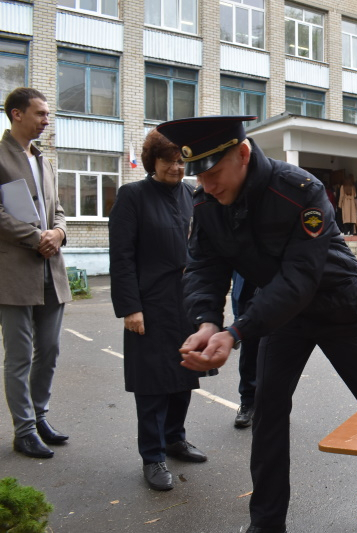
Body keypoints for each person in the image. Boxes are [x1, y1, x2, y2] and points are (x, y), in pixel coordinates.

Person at [156, 115, 357, 533]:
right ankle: (266, 525)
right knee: (267, 413)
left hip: (341, 308)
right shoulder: (207, 200)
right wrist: (207, 321)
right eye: (199, 177)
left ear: (244, 155)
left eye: (213, 173)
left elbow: (299, 279)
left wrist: (236, 332)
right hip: (279, 315)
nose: (207, 185)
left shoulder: (301, 191)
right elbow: (203, 266)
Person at [109, 129, 209, 491]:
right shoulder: (132, 196)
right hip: (148, 304)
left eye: (182, 160)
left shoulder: (191, 195)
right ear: (154, 160)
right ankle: (152, 456)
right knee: (152, 383)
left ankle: (174, 438)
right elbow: (120, 257)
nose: (177, 167)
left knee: (184, 373)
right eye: (169, 160)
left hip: (186, 300)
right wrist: (129, 308)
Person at [0, 87, 71, 459]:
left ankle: (39, 416)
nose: (47, 120)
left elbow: (58, 210)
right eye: (41, 114)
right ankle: (23, 430)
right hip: (14, 273)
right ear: (16, 114)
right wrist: (35, 237)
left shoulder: (44, 160)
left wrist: (57, 232)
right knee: (20, 355)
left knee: (51, 349)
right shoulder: (0, 157)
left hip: (51, 269)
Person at [231, 271, 257, 428]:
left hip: (278, 284)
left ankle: (276, 405)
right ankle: (248, 403)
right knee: (249, 352)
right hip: (248, 287)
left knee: (279, 353)